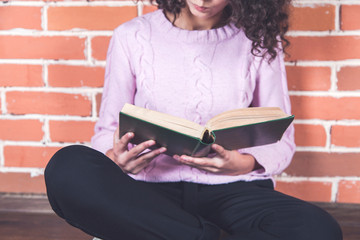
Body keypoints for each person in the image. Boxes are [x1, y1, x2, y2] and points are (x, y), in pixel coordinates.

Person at [44, 0, 343, 239]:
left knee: (318, 228)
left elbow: (281, 142)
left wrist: (244, 163)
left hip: (234, 191)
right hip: (150, 193)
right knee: (67, 167)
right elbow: (108, 129)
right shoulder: (131, 36)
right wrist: (116, 157)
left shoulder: (261, 40)